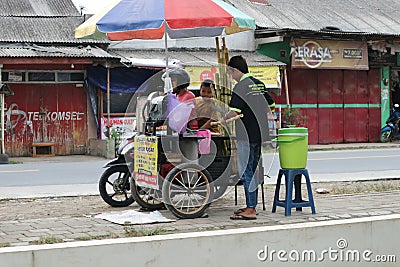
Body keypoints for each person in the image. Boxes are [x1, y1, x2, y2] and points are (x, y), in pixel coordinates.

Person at [221, 55, 275, 220]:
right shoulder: (259, 84)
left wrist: (222, 119)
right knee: (252, 170)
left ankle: (251, 209)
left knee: (246, 171)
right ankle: (251, 205)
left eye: (231, 73)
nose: (231, 77)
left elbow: (234, 111)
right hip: (260, 135)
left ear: (236, 70)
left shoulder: (241, 86)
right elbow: (271, 106)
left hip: (245, 135)